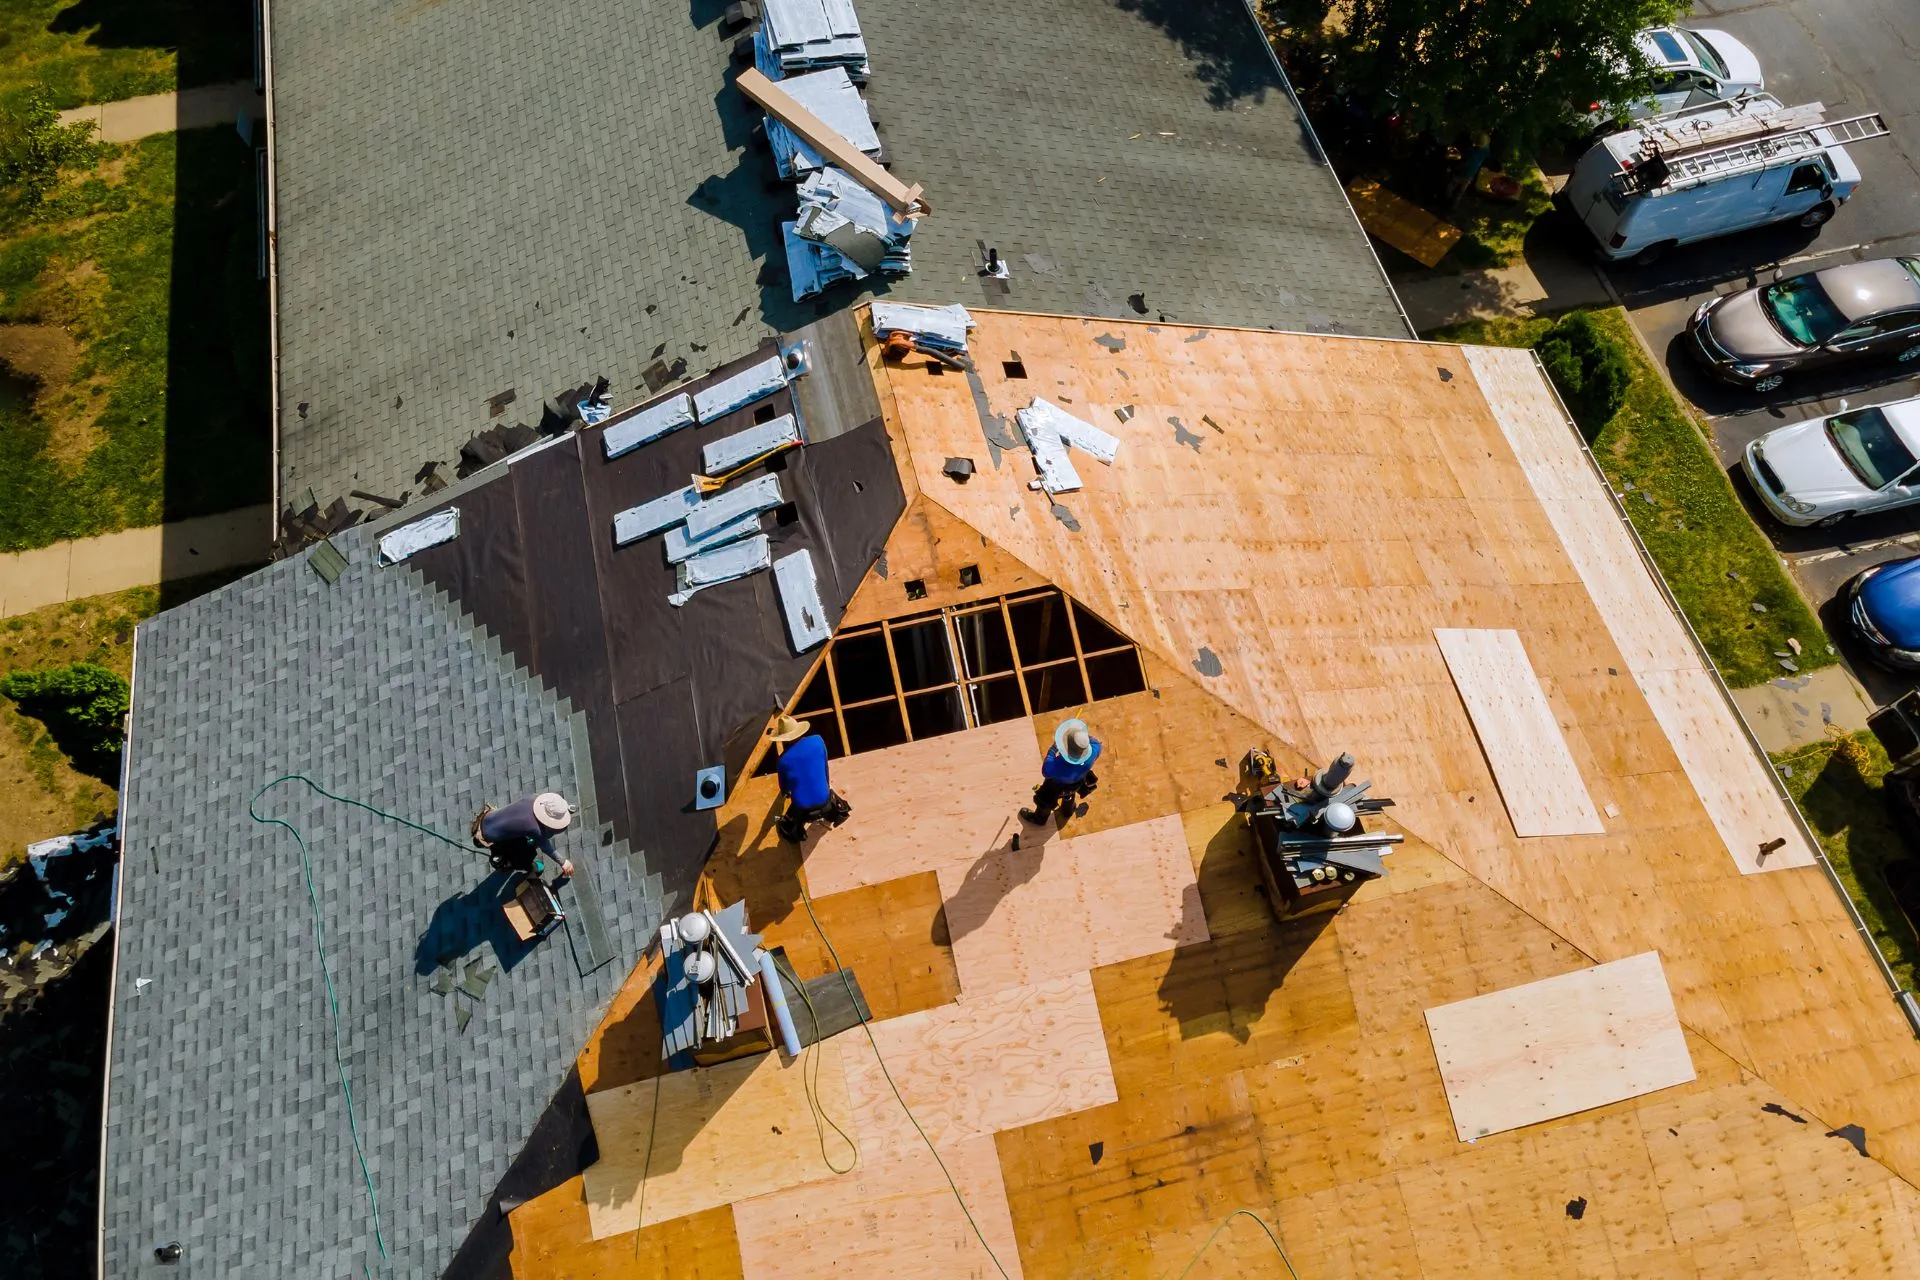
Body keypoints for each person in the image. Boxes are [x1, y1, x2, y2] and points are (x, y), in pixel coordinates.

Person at [768, 713, 851, 844]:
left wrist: (788, 791)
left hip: (803, 811)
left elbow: (785, 790)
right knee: (829, 794)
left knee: (787, 824)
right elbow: (825, 766)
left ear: (784, 739)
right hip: (825, 802)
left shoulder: (783, 760)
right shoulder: (818, 740)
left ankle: (794, 831)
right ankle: (836, 813)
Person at [472, 791, 576, 885]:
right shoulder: (534, 828)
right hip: (488, 837)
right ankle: (528, 866)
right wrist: (563, 862)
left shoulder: (534, 798)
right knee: (523, 856)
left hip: (486, 819)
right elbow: (545, 846)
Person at [1019, 718, 1102, 829]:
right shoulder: (1094, 750)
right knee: (1069, 796)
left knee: (1045, 801)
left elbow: (1046, 771)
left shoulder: (1057, 766)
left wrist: (1053, 749)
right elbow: (1095, 742)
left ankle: (1039, 819)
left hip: (1055, 787)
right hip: (1077, 783)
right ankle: (1067, 812)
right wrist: (1080, 738)